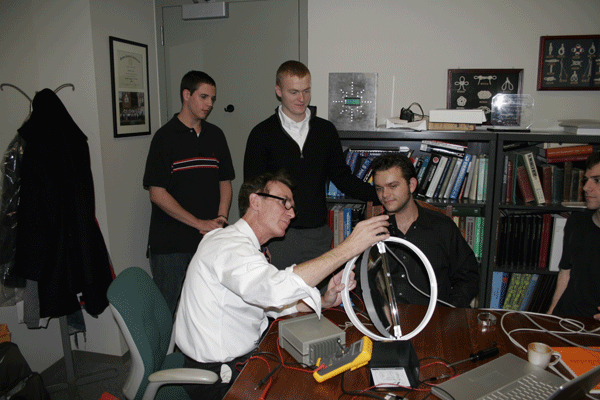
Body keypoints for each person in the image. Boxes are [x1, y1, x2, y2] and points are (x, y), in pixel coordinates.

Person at [174, 171, 389, 400]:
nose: (292, 213)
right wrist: (350, 247)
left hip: (246, 358)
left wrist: (324, 299)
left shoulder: (242, 247)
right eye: (284, 202)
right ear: (255, 201)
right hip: (219, 378)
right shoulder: (228, 247)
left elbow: (267, 302)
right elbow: (274, 291)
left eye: (292, 206)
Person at [244, 60, 379, 271]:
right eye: (294, 92)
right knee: (282, 302)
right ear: (278, 91)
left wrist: (379, 194)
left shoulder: (325, 131)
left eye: (306, 91)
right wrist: (256, 240)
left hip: (317, 235)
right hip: (277, 238)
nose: (301, 98)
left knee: (320, 301)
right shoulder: (261, 134)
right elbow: (251, 192)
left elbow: (342, 177)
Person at [143, 70, 235, 316]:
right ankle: (162, 357)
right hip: (171, 246)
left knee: (206, 310)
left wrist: (221, 218)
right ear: (186, 95)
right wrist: (199, 223)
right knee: (169, 312)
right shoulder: (164, 138)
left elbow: (225, 181)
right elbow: (157, 193)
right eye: (204, 97)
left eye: (213, 99)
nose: (210, 104)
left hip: (208, 242)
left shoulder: (216, 135)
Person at [370, 153, 480, 308]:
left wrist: (448, 311)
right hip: (388, 322)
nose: (384, 195)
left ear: (412, 185)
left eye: (393, 186)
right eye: (379, 188)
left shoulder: (442, 227)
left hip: (435, 321)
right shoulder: (371, 231)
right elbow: (363, 281)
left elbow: (469, 277)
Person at [547, 152, 600, 320]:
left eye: (597, 180)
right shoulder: (577, 222)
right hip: (567, 320)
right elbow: (566, 273)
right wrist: (550, 317)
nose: (586, 187)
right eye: (587, 179)